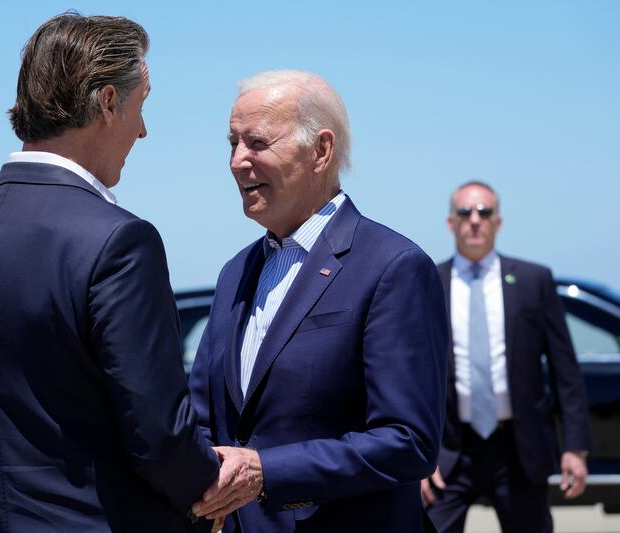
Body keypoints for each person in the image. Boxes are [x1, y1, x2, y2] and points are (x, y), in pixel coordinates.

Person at [0, 13, 219, 532]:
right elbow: (158, 435)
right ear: (107, 102)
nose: (144, 130)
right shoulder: (119, 240)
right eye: (141, 106)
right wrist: (211, 486)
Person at [188, 70, 449, 532]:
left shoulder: (393, 266)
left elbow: (408, 442)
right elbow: (206, 417)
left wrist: (265, 472)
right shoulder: (236, 271)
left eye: (257, 143)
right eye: (232, 143)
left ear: (321, 151)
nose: (236, 160)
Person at [422, 181, 591, 532]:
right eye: (465, 212)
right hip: (449, 452)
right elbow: (411, 375)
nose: (475, 220)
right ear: (450, 222)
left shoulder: (534, 280)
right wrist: (419, 455)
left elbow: (565, 371)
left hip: (519, 450)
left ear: (498, 222)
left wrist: (575, 447)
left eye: (484, 212)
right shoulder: (427, 283)